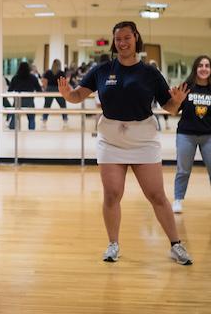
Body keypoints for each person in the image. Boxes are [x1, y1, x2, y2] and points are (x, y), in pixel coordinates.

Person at [57, 21, 193, 265]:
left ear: (136, 38)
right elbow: (78, 95)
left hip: (144, 139)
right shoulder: (102, 70)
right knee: (112, 194)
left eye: (127, 38)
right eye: (118, 39)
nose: (122, 43)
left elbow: (169, 108)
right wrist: (68, 95)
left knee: (156, 195)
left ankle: (176, 244)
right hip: (111, 139)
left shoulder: (150, 73)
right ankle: (113, 244)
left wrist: (178, 101)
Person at [172, 55, 211, 213]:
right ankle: (178, 200)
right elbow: (174, 111)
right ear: (195, 68)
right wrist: (175, 101)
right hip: (186, 135)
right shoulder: (186, 87)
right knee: (183, 170)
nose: (204, 68)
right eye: (200, 65)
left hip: (209, 136)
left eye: (207, 66)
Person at [8, 61, 42, 130]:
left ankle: (11, 133)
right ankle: (31, 131)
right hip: (29, 100)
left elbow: (10, 90)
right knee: (31, 118)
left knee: (15, 117)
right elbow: (39, 90)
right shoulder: (33, 78)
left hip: (18, 100)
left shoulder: (15, 78)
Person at [42, 58, 68, 127]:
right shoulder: (61, 73)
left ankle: (44, 120)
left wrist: (45, 89)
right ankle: (65, 120)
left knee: (47, 106)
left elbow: (44, 82)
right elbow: (64, 83)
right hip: (59, 90)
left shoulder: (48, 72)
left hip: (49, 89)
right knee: (63, 105)